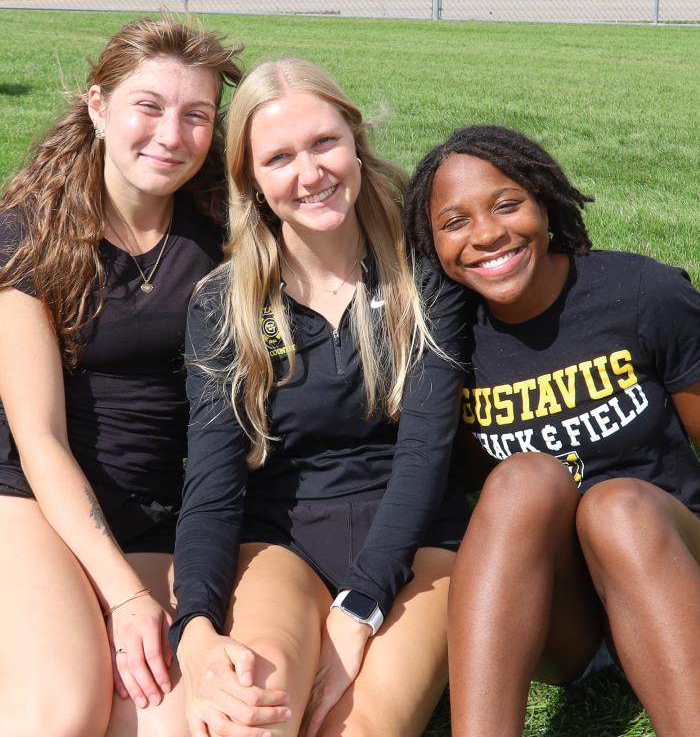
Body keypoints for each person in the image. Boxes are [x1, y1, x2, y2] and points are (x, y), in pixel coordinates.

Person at [171, 58, 471, 737]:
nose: (309, 174)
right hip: (284, 542)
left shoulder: (422, 267)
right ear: (251, 180)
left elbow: (426, 452)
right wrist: (193, 623)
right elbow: (213, 484)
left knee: (354, 728)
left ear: (356, 140)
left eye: (324, 143)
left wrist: (359, 606)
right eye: (279, 157)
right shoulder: (227, 302)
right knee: (255, 715)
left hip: (420, 544)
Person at [0, 17, 254, 737]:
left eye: (196, 114)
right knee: (63, 711)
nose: (171, 135)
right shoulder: (31, 233)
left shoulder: (222, 237)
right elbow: (39, 438)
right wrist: (123, 596)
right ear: (98, 105)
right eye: (148, 105)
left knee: (168, 724)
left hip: (152, 511)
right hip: (26, 499)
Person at [404, 124, 700, 737]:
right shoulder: (443, 347)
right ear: (430, 245)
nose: (487, 234)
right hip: (561, 621)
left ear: (543, 201)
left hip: (668, 568)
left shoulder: (642, 294)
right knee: (523, 479)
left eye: (507, 204)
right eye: (453, 222)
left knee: (614, 506)